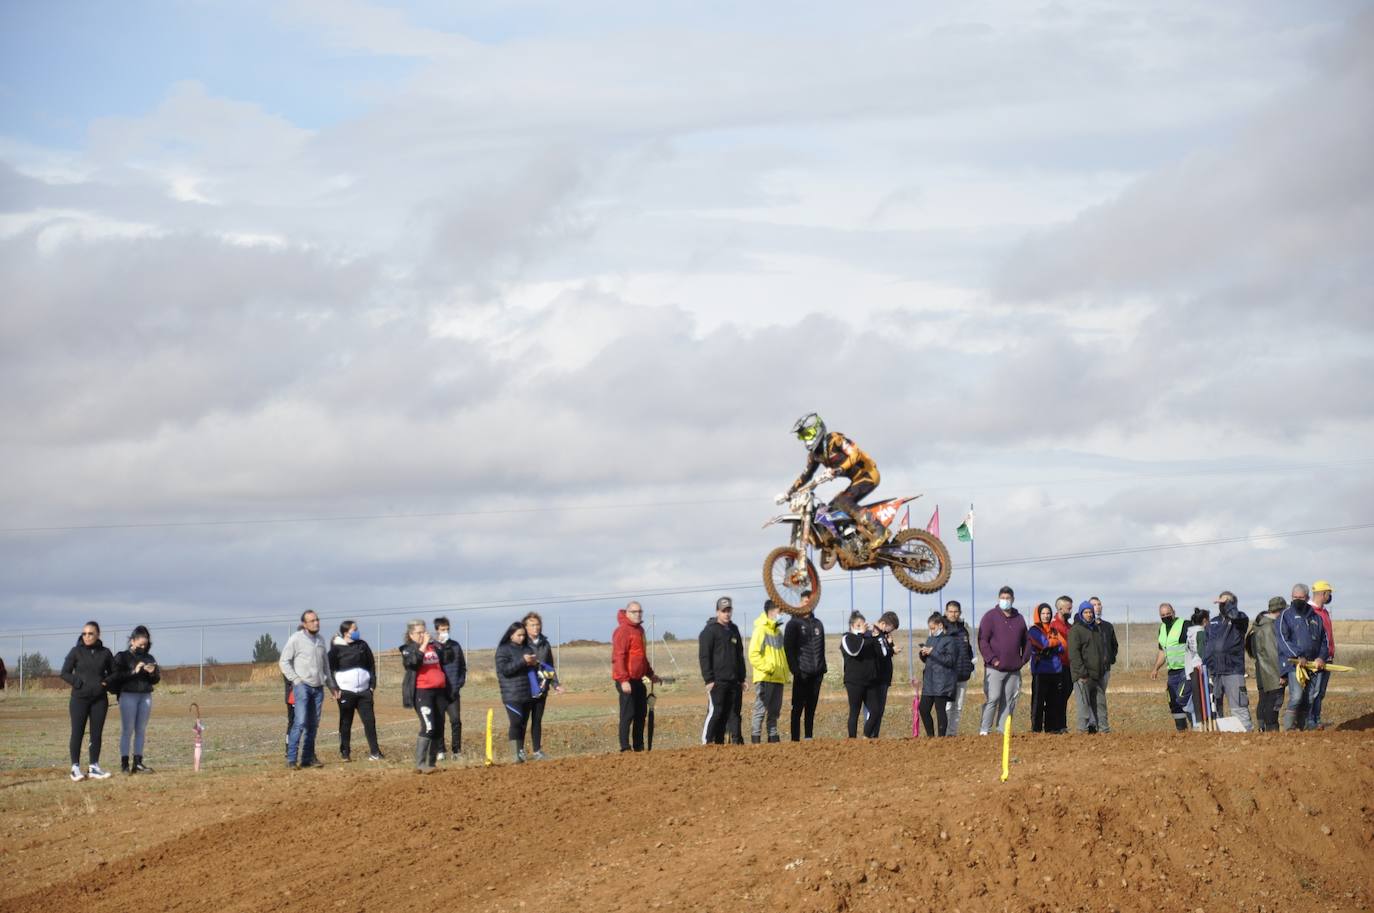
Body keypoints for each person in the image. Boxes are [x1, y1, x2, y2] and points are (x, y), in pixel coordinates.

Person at [775, 413, 885, 549]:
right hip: (856, 480)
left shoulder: (835, 439)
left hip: (868, 474)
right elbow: (806, 475)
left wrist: (839, 469)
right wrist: (788, 493)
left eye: (807, 435)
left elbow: (855, 454)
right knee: (831, 509)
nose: (806, 440)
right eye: (802, 437)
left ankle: (879, 530)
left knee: (844, 502)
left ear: (817, 430)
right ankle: (854, 539)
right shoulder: (815, 455)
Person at [278, 610, 338, 770]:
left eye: (317, 620)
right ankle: (291, 759)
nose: (316, 623)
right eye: (311, 621)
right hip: (302, 687)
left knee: (313, 724)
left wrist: (331, 685)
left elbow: (326, 665)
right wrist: (296, 680)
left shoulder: (321, 640)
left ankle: (307, 758)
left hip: (318, 688)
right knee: (300, 722)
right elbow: (283, 662)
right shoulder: (295, 639)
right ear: (304, 624)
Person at [60, 621, 115, 781]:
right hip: (79, 700)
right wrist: (78, 683)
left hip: (99, 700)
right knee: (77, 733)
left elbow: (115, 673)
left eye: (90, 633)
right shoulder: (76, 651)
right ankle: (75, 768)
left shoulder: (105, 653)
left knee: (96, 734)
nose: (87, 636)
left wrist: (105, 682)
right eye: (84, 633)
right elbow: (64, 673)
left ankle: (94, 767)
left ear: (98, 634)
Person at [977, 586, 1029, 735]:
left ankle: (1002, 730)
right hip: (994, 668)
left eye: (1008, 598)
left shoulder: (1019, 619)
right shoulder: (990, 617)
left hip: (1014, 669)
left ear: (1013, 599)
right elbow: (983, 641)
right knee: (993, 698)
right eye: (1002, 598)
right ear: (999, 599)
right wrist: (993, 660)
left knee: (1009, 700)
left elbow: (1027, 642)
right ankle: (984, 730)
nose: (1005, 601)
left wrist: (1023, 660)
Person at [108, 625, 160, 774]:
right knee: (127, 730)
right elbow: (115, 677)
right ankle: (124, 764)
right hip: (128, 695)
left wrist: (152, 673)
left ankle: (138, 762)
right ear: (132, 641)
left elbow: (156, 680)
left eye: (146, 644)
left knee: (141, 730)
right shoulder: (122, 656)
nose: (143, 647)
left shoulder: (149, 658)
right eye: (141, 644)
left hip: (145, 695)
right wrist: (133, 671)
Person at [328, 620, 382, 762]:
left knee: (370, 721)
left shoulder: (362, 645)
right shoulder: (336, 649)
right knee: (346, 722)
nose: (357, 631)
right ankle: (345, 753)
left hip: (364, 692)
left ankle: (375, 752)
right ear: (346, 632)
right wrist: (334, 688)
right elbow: (329, 670)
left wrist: (372, 685)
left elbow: (371, 665)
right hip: (346, 692)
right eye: (355, 629)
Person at [1276, 584, 1328, 731]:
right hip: (1295, 665)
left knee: (1310, 697)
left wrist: (1321, 657)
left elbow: (1324, 641)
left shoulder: (1316, 617)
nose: (1297, 600)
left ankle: (1303, 726)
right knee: (1297, 696)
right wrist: (1298, 655)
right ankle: (1289, 728)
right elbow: (1283, 640)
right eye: (1295, 597)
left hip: (1313, 665)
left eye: (1301, 598)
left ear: (1307, 598)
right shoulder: (1285, 616)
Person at [610, 601, 660, 752]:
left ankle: (639, 747)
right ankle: (625, 748)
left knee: (640, 714)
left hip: (638, 680)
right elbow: (618, 657)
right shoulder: (622, 631)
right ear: (627, 613)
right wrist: (624, 680)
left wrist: (650, 674)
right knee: (628, 714)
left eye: (640, 611)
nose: (638, 614)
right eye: (634, 611)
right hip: (626, 680)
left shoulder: (640, 630)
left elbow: (641, 657)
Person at [400, 619, 446, 773]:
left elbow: (449, 658)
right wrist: (423, 645)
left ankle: (431, 764)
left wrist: (441, 644)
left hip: (439, 692)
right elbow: (412, 663)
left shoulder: (434, 647)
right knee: (428, 726)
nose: (422, 635)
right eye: (419, 633)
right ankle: (420, 764)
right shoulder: (408, 649)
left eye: (424, 632)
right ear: (411, 634)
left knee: (438, 728)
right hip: (422, 692)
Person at [700, 597, 746, 745]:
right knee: (716, 712)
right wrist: (709, 679)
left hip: (734, 681)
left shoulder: (734, 629)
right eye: (723, 611)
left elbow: (739, 654)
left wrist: (742, 678)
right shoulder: (709, 631)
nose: (727, 614)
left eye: (729, 610)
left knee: (734, 714)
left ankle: (736, 742)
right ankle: (707, 741)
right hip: (717, 682)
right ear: (717, 612)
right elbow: (704, 656)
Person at [1203, 591, 1253, 731]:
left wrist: (1228, 604)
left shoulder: (1240, 619)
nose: (1222, 605)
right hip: (1214, 672)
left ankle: (1247, 733)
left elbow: (1235, 615)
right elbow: (1208, 646)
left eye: (1224, 603)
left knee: (1239, 706)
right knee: (1215, 708)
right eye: (1221, 603)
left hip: (1233, 671)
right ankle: (1219, 735)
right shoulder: (1213, 622)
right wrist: (1206, 667)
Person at [496, 621, 540, 763]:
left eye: (523, 635)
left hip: (526, 692)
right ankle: (514, 754)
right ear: (511, 635)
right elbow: (505, 670)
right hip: (511, 693)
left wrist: (535, 664)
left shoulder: (527, 649)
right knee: (515, 722)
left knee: (523, 724)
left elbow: (532, 670)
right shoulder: (503, 650)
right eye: (519, 635)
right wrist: (522, 661)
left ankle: (520, 751)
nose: (522, 637)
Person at [748, 600, 789, 743]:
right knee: (760, 711)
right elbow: (753, 654)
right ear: (772, 611)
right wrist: (769, 668)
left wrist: (784, 672)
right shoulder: (760, 629)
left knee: (774, 712)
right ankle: (756, 741)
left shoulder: (778, 632)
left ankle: (773, 740)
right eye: (780, 611)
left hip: (778, 678)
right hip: (765, 677)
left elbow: (782, 655)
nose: (782, 614)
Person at [783, 607, 827, 741]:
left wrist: (822, 668)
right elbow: (788, 649)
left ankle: (809, 736)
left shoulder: (818, 623)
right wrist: (796, 670)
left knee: (811, 707)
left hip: (817, 673)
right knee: (797, 708)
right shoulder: (793, 624)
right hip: (802, 673)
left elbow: (821, 647)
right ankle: (795, 739)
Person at [524, 612, 562, 760]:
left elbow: (549, 666)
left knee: (537, 720)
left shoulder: (545, 643)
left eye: (538, 624)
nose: (536, 627)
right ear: (526, 627)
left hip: (542, 686)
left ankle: (537, 751)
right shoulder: (522, 643)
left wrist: (556, 684)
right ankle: (519, 751)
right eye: (532, 625)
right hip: (526, 688)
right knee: (522, 720)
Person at [1246, 597, 1287, 732]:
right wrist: (1281, 674)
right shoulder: (1270, 627)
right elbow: (1272, 652)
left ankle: (1262, 730)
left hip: (1261, 668)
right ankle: (1272, 733)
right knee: (1274, 702)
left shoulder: (1257, 626)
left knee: (1263, 700)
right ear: (1280, 610)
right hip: (1272, 670)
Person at [1150, 603, 1192, 731]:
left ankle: (1197, 727)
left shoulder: (1184, 625)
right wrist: (1155, 668)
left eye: (1168, 614)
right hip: (1172, 672)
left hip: (1186, 670)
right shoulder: (1162, 629)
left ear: (1174, 612)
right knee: (1173, 702)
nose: (1166, 617)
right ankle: (1182, 731)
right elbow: (1163, 651)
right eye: (1163, 615)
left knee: (1183, 699)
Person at [840, 611, 882, 738]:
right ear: (852, 626)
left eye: (863, 624)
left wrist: (876, 636)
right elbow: (854, 651)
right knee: (855, 711)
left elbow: (880, 654)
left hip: (870, 681)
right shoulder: (847, 638)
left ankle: (866, 736)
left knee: (876, 711)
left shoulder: (867, 638)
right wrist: (861, 635)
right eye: (858, 625)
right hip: (854, 681)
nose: (862, 627)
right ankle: (852, 739)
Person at [1068, 601, 1108, 734]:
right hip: (1083, 676)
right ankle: (1082, 731)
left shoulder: (1096, 629)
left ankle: (1104, 730)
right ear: (1081, 614)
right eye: (1086, 612)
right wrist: (1082, 673)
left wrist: (1102, 669)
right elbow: (1074, 654)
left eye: (1090, 612)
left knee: (1100, 704)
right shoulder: (1076, 630)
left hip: (1097, 675)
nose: (1089, 614)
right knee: (1084, 706)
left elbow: (1100, 650)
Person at [1027, 604, 1067, 734]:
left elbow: (1063, 647)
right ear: (1038, 614)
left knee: (1053, 702)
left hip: (1055, 670)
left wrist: (1052, 645)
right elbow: (1043, 644)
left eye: (1048, 613)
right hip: (1040, 671)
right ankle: (1036, 729)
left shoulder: (1054, 629)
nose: (1046, 616)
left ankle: (1051, 728)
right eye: (1043, 613)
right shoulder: (1034, 630)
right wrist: (1053, 644)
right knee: (1038, 702)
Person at [917, 613, 959, 737]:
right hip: (929, 680)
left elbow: (950, 660)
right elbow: (928, 660)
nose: (931, 631)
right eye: (930, 628)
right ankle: (930, 736)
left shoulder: (950, 640)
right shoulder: (930, 639)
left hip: (942, 681)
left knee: (940, 710)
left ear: (940, 625)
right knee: (923, 709)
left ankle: (941, 738)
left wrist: (933, 652)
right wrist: (923, 654)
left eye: (933, 628)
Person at [432, 617, 466, 761]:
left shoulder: (456, 646)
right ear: (437, 630)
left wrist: (458, 684)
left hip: (453, 692)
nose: (445, 632)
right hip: (438, 692)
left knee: (456, 720)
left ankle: (456, 751)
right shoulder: (432, 647)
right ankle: (440, 750)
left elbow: (462, 667)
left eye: (447, 629)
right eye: (442, 630)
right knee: (439, 722)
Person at [942, 601, 975, 736]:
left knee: (958, 706)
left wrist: (970, 664)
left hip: (963, 673)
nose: (953, 614)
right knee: (948, 706)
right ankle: (944, 732)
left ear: (960, 613)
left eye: (956, 611)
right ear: (946, 612)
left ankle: (952, 733)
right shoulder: (943, 629)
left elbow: (968, 650)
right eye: (950, 611)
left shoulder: (963, 630)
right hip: (948, 675)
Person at [867, 611, 900, 738]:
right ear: (883, 623)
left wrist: (890, 644)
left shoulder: (884, 636)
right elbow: (880, 654)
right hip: (876, 677)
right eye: (890, 628)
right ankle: (868, 734)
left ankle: (875, 735)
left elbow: (887, 653)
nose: (890, 632)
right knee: (874, 710)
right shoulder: (873, 634)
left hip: (884, 678)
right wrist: (891, 649)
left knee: (880, 710)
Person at [1307, 580, 1335, 729]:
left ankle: (1316, 719)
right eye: (1329, 594)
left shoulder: (1324, 612)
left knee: (1321, 692)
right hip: (1316, 660)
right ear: (1323, 594)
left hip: (1328, 659)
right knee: (1314, 691)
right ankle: (1310, 721)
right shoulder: (1310, 612)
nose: (1330, 597)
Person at [1051, 596, 1075, 730]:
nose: (1071, 610)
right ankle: (1056, 725)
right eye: (1069, 608)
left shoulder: (1069, 626)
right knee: (1058, 696)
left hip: (1069, 666)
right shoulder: (1053, 625)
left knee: (1065, 694)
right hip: (1058, 667)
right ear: (1060, 608)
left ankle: (1061, 725)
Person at [1183, 608, 1209, 727]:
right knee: (1203, 700)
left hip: (1192, 669)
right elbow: (1203, 653)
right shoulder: (1201, 633)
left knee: (1197, 699)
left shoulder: (1189, 634)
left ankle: (1197, 724)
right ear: (1204, 620)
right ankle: (1203, 725)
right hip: (1201, 670)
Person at [1091, 597, 1118, 693]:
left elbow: (1114, 645)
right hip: (1091, 670)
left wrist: (1111, 658)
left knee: (1101, 695)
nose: (1097, 607)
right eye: (1094, 605)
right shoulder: (1086, 627)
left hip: (1105, 669)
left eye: (1099, 604)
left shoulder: (1108, 626)